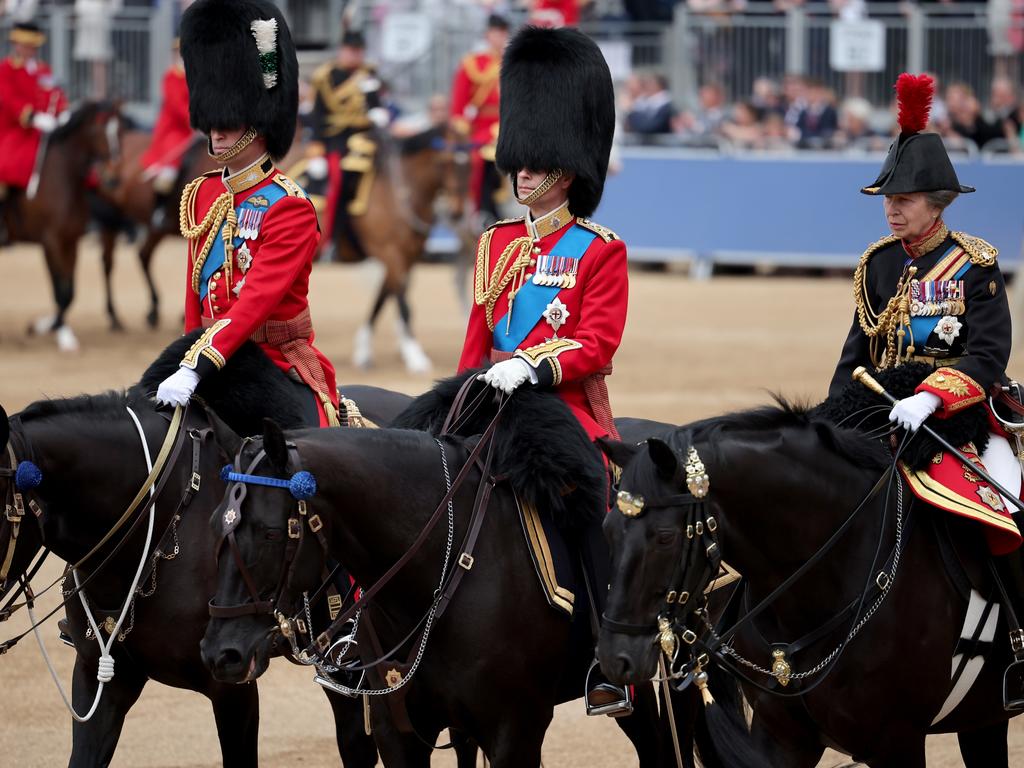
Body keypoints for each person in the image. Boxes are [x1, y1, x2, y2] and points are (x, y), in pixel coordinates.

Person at [830, 73, 1024, 708]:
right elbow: (855, 352)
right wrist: (830, 419)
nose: (892, 206)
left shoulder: (975, 263)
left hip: (959, 417)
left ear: (937, 202)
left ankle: (1017, 649)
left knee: (1012, 511)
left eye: (905, 197)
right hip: (881, 410)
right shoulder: (878, 263)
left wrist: (934, 395)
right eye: (887, 195)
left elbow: (990, 352)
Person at [457, 25, 631, 717]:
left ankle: (607, 652)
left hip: (563, 408)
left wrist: (531, 364)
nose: (520, 172)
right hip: (487, 398)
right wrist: (463, 392)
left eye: (534, 164)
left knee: (586, 502)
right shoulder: (495, 243)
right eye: (518, 163)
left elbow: (597, 345)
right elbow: (476, 340)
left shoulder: (597, 249)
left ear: (566, 169)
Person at [155, 0, 340, 429]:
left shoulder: (288, 206)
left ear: (258, 121)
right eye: (213, 119)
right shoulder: (204, 194)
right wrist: (186, 356)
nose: (216, 129)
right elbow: (195, 297)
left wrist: (200, 362)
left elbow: (255, 302)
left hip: (272, 364)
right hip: (209, 355)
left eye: (231, 121)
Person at [307, 29, 388, 259]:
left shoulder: (368, 75)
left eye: (359, 52)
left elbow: (375, 105)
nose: (355, 56)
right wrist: (316, 147)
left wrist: (378, 112)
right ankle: (332, 238)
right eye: (351, 51)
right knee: (337, 179)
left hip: (365, 137)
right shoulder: (325, 76)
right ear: (342, 51)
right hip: (335, 140)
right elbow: (317, 115)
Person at [0, 21, 68, 242]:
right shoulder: (6, 69)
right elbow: (8, 100)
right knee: (6, 165)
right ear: (17, 45)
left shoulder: (43, 69)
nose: (31, 50)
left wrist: (61, 113)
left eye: (33, 46)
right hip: (13, 130)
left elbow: (54, 95)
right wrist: (32, 117)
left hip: (40, 131)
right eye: (27, 45)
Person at [449, 14, 509, 227]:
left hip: (511, 125)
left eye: (503, 33)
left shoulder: (515, 62)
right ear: (487, 35)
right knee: (479, 157)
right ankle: (482, 211)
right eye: (495, 32)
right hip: (482, 128)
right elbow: (458, 105)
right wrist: (462, 127)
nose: (499, 37)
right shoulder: (473, 64)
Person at [139, 38, 195, 228]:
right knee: (169, 171)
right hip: (175, 131)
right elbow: (177, 106)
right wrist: (196, 121)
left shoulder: (198, 76)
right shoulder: (171, 77)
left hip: (196, 129)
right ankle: (159, 210)